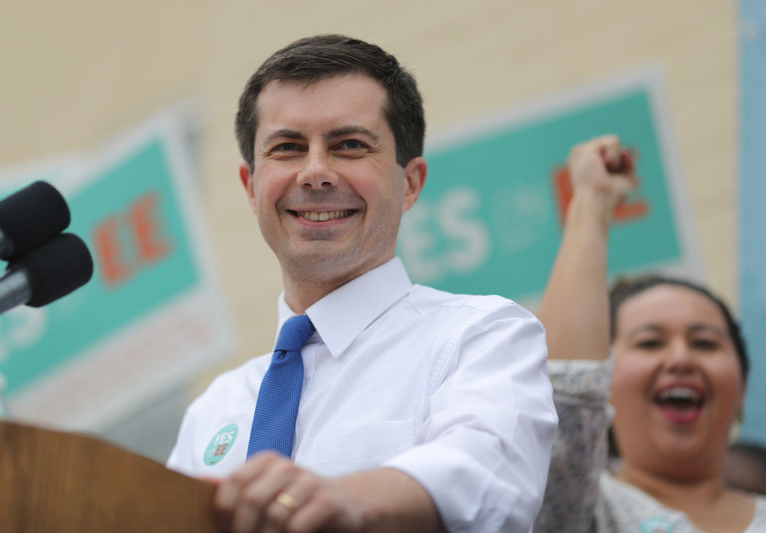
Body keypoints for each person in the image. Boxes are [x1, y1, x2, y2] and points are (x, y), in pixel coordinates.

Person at [168, 34, 558, 533]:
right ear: (250, 187)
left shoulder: (482, 337)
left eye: (349, 145)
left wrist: (345, 500)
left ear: (411, 182)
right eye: (287, 148)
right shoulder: (214, 409)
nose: (315, 172)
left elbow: (488, 476)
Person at [533, 135, 766, 532]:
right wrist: (592, 202)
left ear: (742, 386)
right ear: (603, 378)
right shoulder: (577, 510)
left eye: (705, 342)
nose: (680, 358)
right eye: (649, 342)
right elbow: (564, 391)